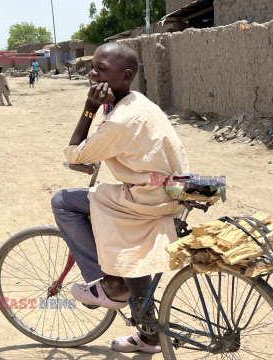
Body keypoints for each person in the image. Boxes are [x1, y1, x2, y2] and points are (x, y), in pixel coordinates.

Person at [51, 42, 189, 353]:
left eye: (101, 69)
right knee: (132, 260)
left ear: (125, 76)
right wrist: (103, 105)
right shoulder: (137, 102)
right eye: (93, 66)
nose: (92, 72)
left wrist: (89, 106)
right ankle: (149, 334)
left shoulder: (120, 120)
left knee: (63, 202)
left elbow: (75, 154)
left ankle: (109, 284)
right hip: (168, 192)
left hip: (145, 200)